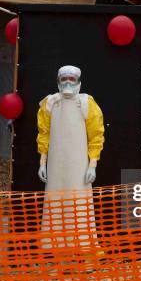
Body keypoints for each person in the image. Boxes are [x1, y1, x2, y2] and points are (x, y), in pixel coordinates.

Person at [36, 65, 105, 253]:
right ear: (58, 82)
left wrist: (92, 165)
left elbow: (96, 136)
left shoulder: (86, 104)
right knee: (55, 207)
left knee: (80, 206)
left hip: (79, 167)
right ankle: (56, 253)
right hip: (56, 167)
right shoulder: (50, 104)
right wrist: (43, 162)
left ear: (78, 83)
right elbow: (44, 134)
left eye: (71, 79)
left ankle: (84, 251)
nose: (67, 82)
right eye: (64, 79)